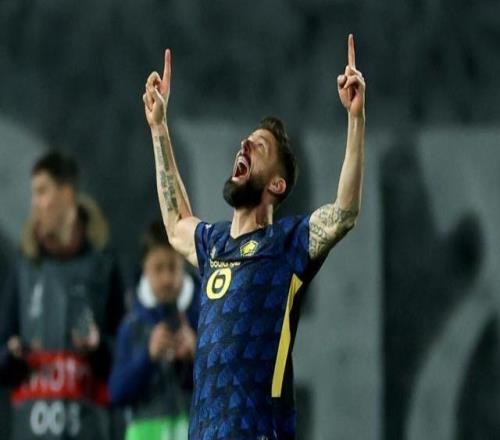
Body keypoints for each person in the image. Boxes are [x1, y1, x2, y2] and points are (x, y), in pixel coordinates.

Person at [142, 34, 365, 440]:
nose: (244, 144)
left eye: (259, 146)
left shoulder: (287, 245)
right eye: (246, 140)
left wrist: (355, 119)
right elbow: (176, 223)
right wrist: (159, 128)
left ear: (277, 184)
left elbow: (344, 211)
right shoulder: (213, 245)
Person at [0, 151, 124, 440]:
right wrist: (13, 356)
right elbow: (2, 351)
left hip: (91, 429)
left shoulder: (103, 266)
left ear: (67, 194)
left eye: (42, 191)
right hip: (30, 430)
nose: (35, 203)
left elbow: (125, 355)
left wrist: (98, 349)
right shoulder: (23, 267)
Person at [108, 221, 197, 440]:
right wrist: (148, 356)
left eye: (172, 267)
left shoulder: (204, 316)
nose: (167, 278)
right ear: (144, 268)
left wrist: (197, 355)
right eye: (158, 268)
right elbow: (116, 392)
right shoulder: (131, 324)